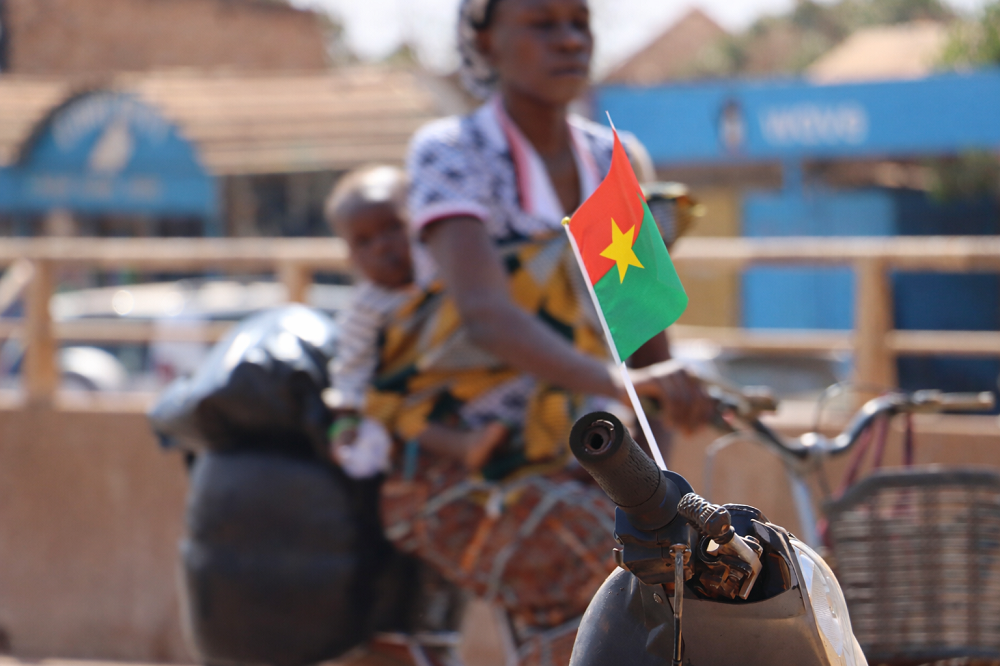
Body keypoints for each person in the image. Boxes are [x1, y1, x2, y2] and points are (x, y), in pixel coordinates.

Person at [362, 0, 716, 663]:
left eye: (578, 23)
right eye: (542, 24)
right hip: (460, 463)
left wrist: (660, 484)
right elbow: (486, 315)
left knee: (694, 568)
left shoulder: (613, 162)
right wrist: (627, 382)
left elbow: (641, 329)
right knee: (600, 576)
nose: (569, 41)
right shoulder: (454, 153)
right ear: (485, 42)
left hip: (583, 462)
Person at [323, 165, 510, 476]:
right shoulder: (366, 308)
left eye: (393, 228)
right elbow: (353, 366)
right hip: (416, 393)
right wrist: (346, 417)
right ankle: (467, 445)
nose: (381, 246)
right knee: (398, 414)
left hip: (474, 371)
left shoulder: (448, 273)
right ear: (350, 259)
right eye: (363, 242)